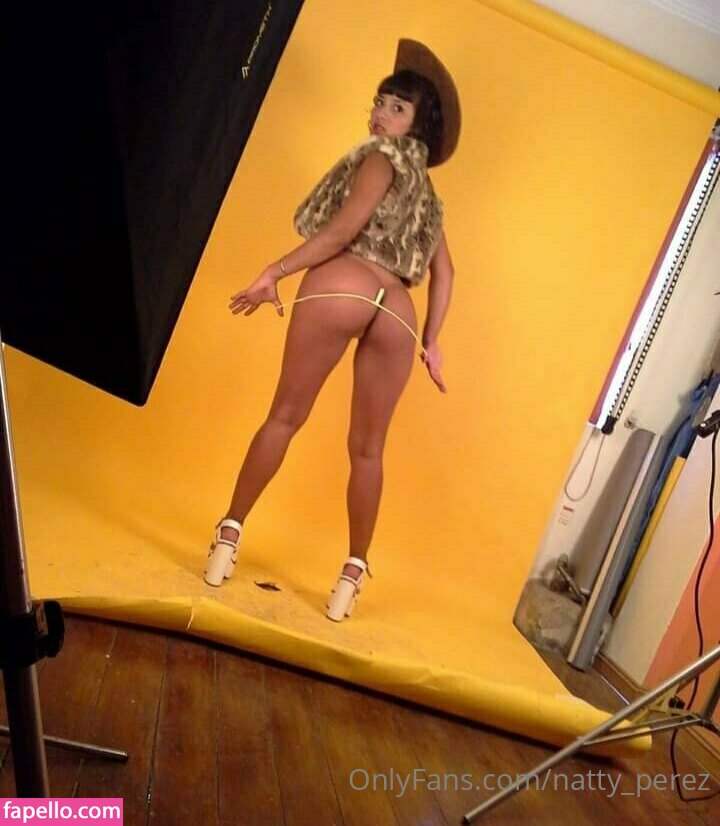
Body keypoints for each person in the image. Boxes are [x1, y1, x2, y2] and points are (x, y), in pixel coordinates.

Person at [203, 39, 460, 622]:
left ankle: (227, 537)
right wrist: (431, 340)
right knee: (368, 450)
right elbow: (445, 273)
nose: (380, 114)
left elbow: (343, 231)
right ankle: (351, 576)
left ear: (417, 125)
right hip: (399, 311)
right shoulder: (431, 198)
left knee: (284, 417)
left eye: (396, 108)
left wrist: (276, 271)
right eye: (379, 102)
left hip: (348, 282)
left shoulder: (379, 159)